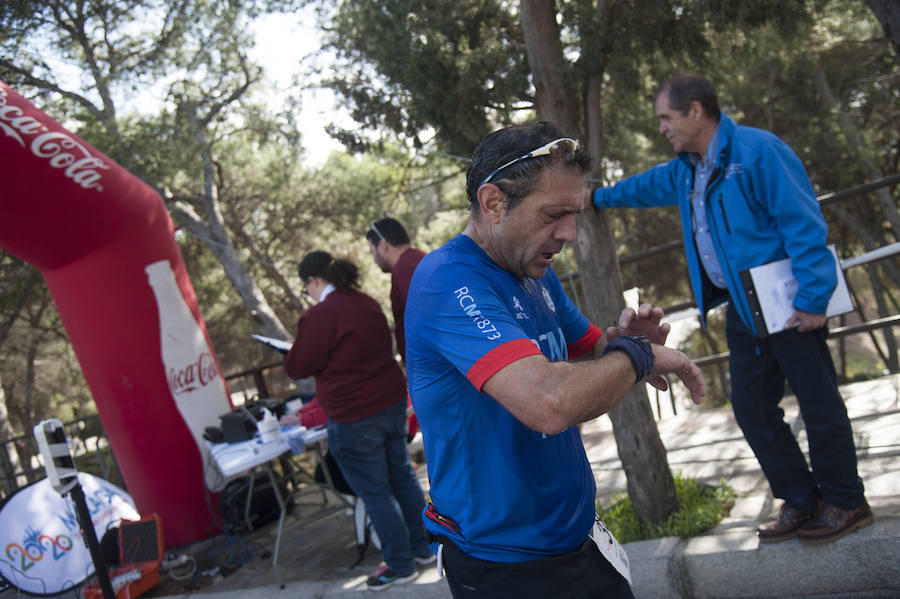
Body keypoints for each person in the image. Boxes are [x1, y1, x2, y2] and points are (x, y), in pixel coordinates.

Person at [404, 121, 707, 598]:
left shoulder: (536, 273)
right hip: (503, 562)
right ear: (493, 203)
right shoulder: (447, 280)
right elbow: (549, 402)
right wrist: (637, 356)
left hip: (577, 535)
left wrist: (627, 341)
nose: (568, 232)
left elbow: (592, 351)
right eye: (554, 214)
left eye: (574, 213)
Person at [588, 72, 871, 545]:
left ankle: (845, 500)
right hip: (744, 308)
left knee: (818, 403)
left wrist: (814, 300)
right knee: (752, 408)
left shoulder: (759, 151)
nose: (662, 128)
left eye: (666, 118)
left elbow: (803, 222)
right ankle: (802, 500)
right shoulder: (686, 168)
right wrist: (594, 198)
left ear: (696, 110)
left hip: (789, 303)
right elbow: (643, 188)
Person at [282, 251, 435, 591]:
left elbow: (298, 366)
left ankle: (399, 563)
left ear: (314, 280)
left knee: (375, 493)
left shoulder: (320, 316)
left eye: (306, 286)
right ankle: (424, 547)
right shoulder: (365, 302)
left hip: (353, 414)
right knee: (402, 478)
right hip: (390, 402)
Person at [366, 217, 427, 364]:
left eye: (372, 251)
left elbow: (427, 315)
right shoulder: (416, 259)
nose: (374, 259)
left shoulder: (406, 268)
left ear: (382, 246)